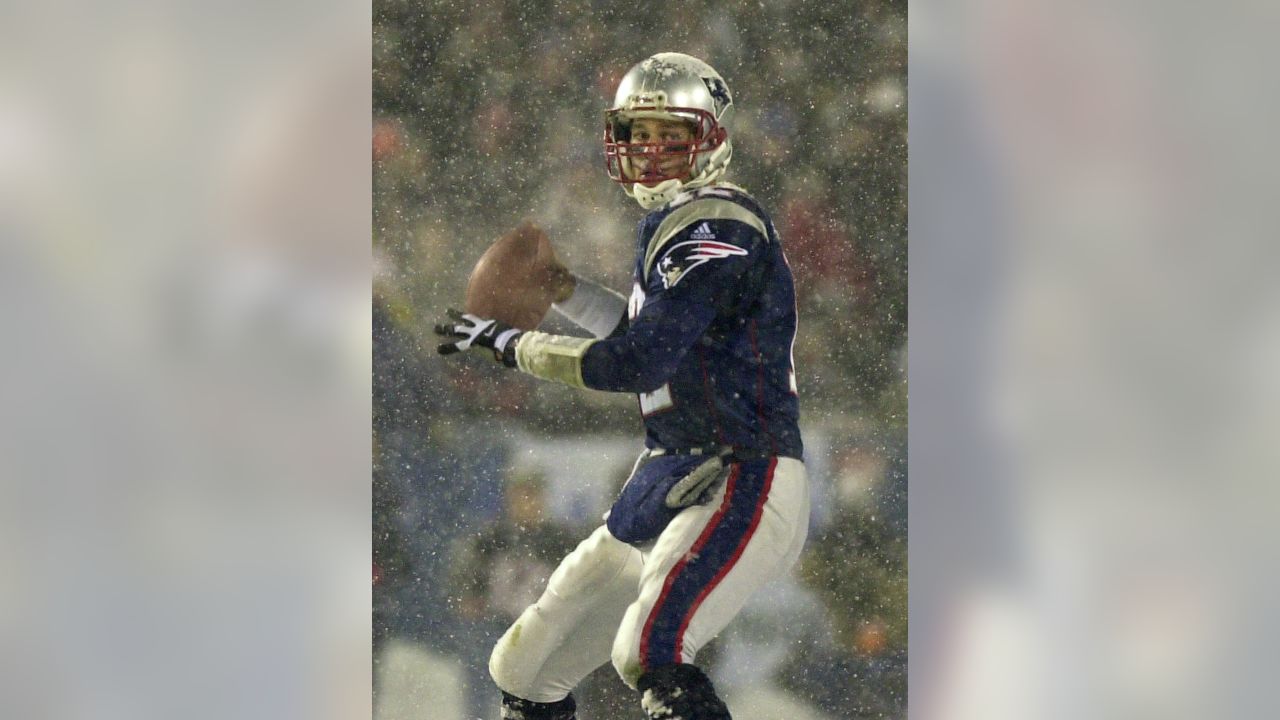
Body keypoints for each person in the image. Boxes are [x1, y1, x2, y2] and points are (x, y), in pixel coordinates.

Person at [435, 52, 809, 720]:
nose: (650, 149)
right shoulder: (676, 222)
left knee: (653, 649)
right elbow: (641, 330)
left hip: (742, 469)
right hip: (672, 472)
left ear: (711, 138)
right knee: (525, 666)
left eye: (670, 133)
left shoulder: (716, 225)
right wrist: (564, 293)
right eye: (638, 133)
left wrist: (508, 343)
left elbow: (637, 362)